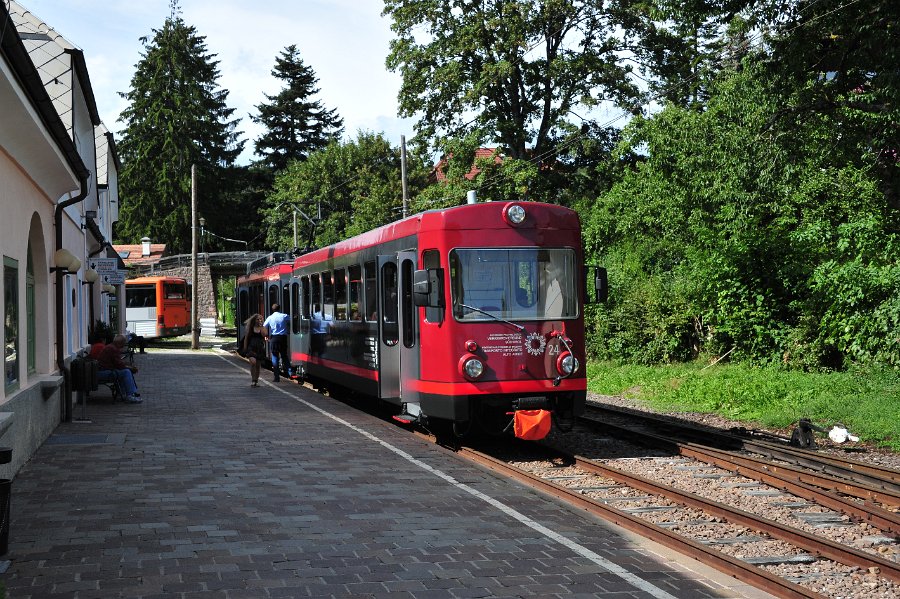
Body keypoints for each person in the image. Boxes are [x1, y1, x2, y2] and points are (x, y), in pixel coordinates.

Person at [96, 334, 142, 403]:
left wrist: (129, 367)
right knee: (126, 372)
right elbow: (119, 365)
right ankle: (130, 395)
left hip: (101, 371)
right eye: (123, 343)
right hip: (103, 372)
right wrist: (130, 368)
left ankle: (125, 393)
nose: (123, 346)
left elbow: (117, 364)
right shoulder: (113, 349)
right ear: (119, 343)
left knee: (124, 371)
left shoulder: (110, 347)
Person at [263, 303, 291, 382]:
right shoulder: (284, 316)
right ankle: (290, 372)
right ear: (279, 308)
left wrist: (266, 335)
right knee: (284, 355)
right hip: (283, 338)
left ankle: (276, 377)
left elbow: (264, 326)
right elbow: (291, 320)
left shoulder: (270, 317)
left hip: (274, 338)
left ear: (273, 309)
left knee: (275, 356)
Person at [242, 313, 266, 387]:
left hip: (259, 348)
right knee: (253, 363)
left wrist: (261, 327)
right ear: (254, 320)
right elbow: (246, 338)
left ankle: (256, 380)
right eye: (258, 319)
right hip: (251, 348)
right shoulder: (250, 328)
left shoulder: (263, 328)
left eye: (261, 319)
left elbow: (264, 335)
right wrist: (245, 348)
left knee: (258, 365)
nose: (259, 320)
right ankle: (253, 379)